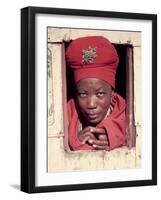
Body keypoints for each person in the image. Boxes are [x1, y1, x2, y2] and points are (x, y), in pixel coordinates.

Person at [66, 36, 126, 151]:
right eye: (82, 94)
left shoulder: (127, 113)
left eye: (100, 93)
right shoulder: (67, 113)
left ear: (112, 93)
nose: (91, 104)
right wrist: (76, 141)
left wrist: (114, 135)